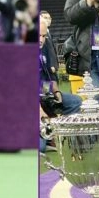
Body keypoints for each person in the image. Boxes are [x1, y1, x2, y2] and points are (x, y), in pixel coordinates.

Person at [40, 17, 81, 152]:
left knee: (75, 101)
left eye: (43, 36)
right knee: (40, 148)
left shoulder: (44, 47)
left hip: (44, 92)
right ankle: (46, 137)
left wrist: (56, 92)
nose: (41, 40)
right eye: (38, 36)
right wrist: (41, 112)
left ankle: (69, 138)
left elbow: (50, 75)